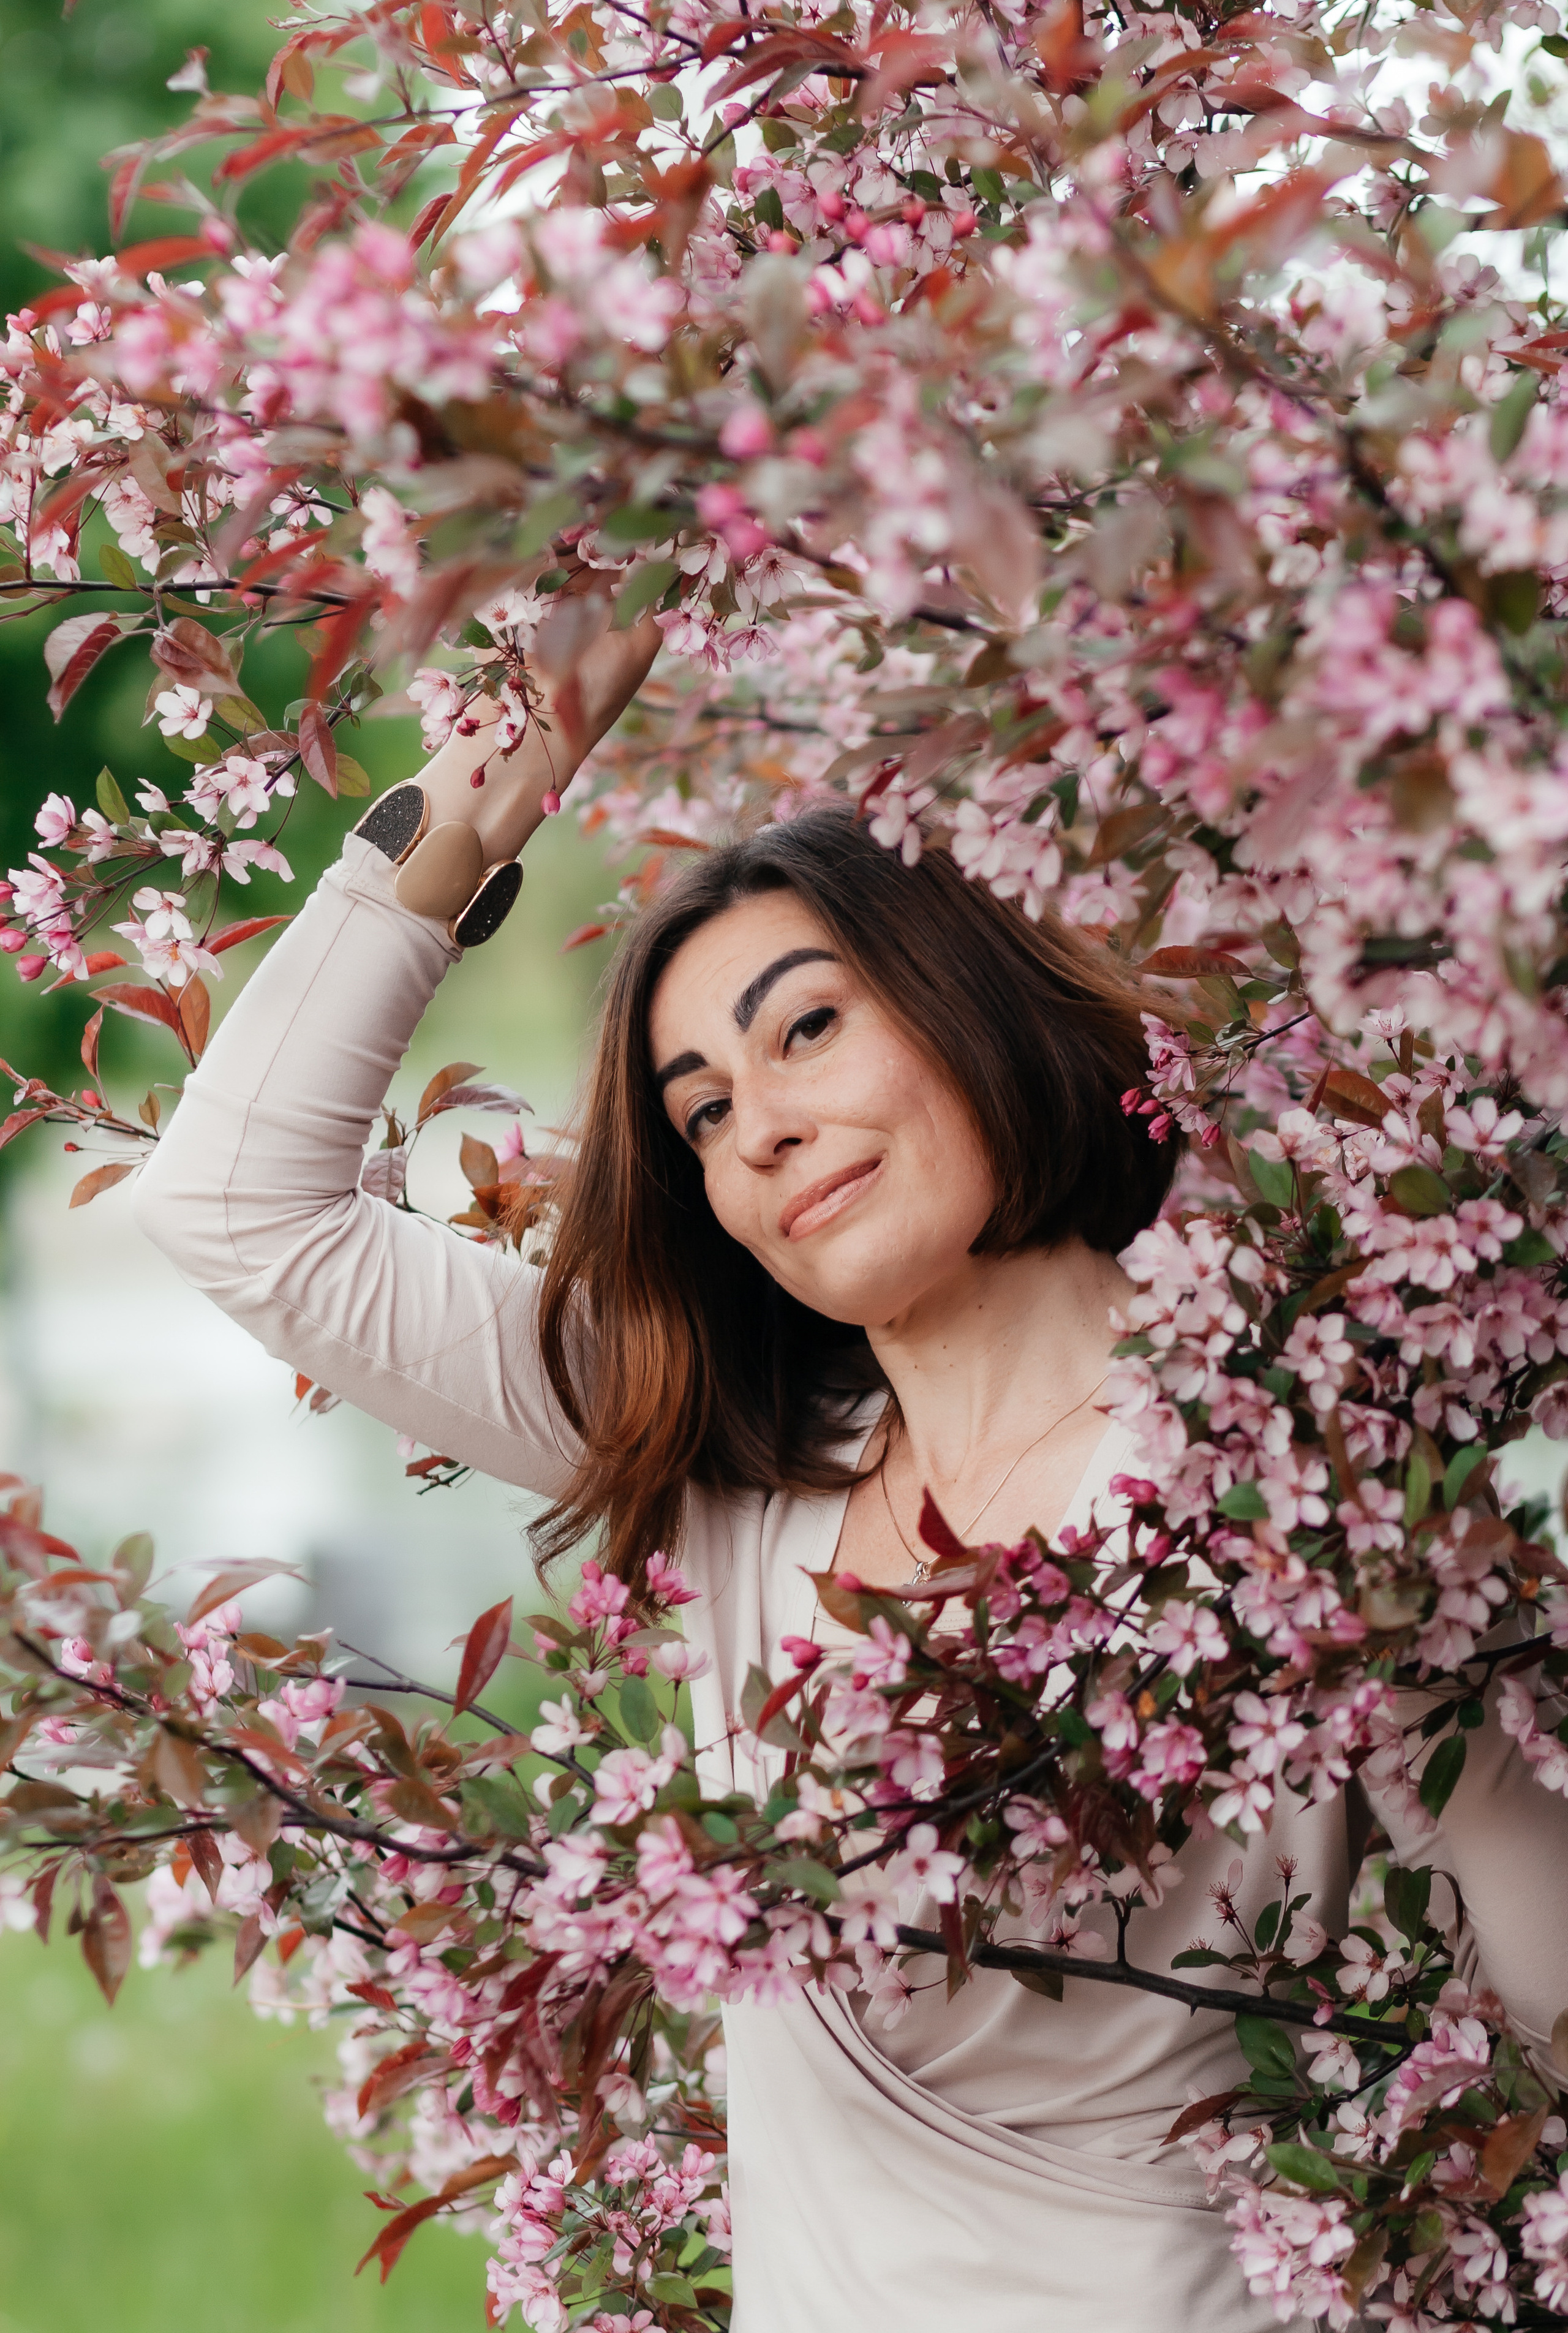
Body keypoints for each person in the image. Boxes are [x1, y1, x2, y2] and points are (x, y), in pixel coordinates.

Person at [134, 595, 1568, 2333]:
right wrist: (504, 765)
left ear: (963, 998)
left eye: (807, 1028)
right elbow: (234, 1206)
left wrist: (1425, 1649)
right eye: (705, 1111)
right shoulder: (733, 1449)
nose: (765, 1127)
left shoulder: (1295, 1448)